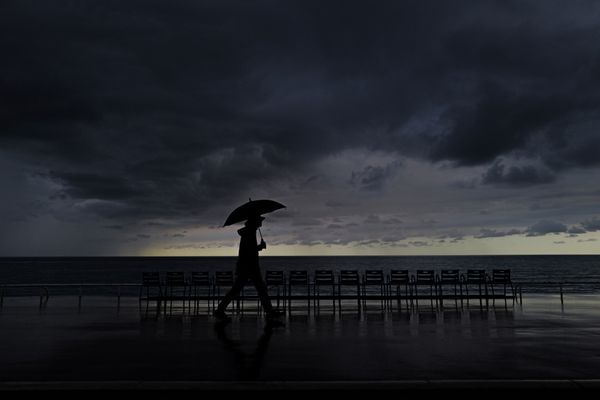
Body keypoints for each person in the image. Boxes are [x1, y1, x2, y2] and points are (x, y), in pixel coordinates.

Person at [214, 215, 283, 322]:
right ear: (255, 221)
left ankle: (269, 312)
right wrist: (260, 247)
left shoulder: (249, 232)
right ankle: (269, 312)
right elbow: (250, 251)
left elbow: (249, 249)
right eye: (260, 221)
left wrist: (259, 247)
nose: (261, 223)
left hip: (247, 266)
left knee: (254, 289)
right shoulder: (250, 233)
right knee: (256, 289)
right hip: (249, 266)